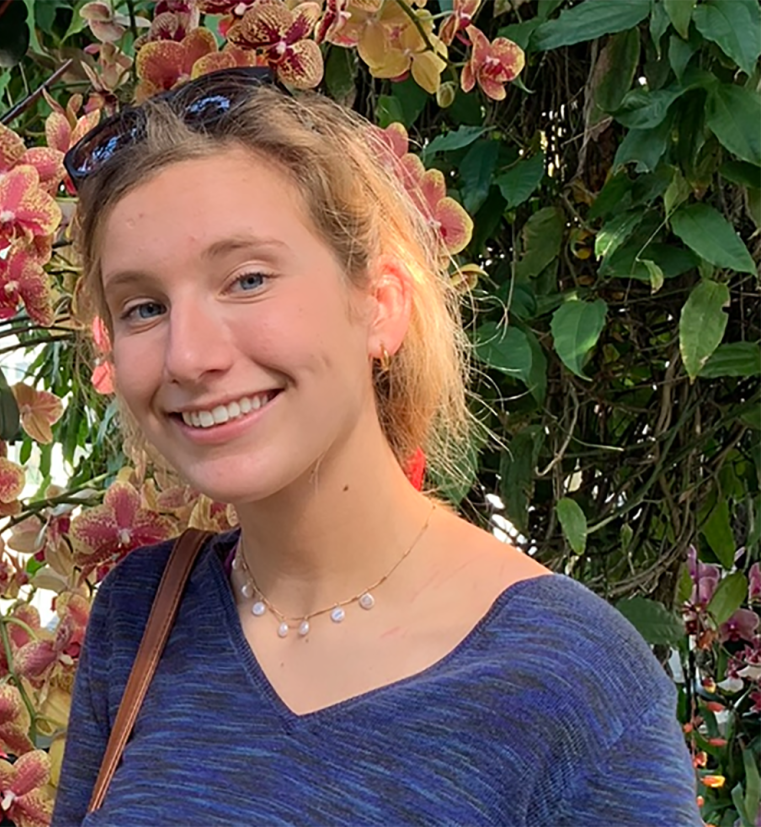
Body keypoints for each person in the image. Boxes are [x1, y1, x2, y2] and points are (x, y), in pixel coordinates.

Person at [50, 68, 701, 825]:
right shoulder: (140, 613)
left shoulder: (577, 684)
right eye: (144, 307)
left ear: (380, 303)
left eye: (248, 278)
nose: (188, 355)